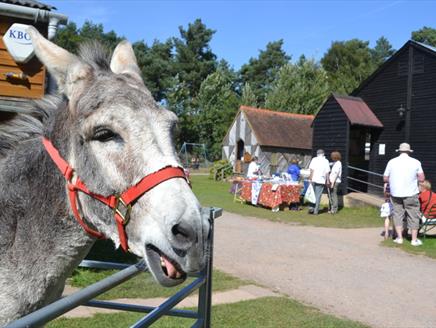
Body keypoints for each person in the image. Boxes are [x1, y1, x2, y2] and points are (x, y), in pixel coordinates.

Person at [383, 143, 425, 246]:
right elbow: (422, 178)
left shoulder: (392, 162)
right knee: (413, 215)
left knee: (397, 215)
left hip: (396, 193)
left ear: (400, 151)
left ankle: (399, 238)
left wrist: (393, 180)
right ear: (409, 151)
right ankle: (414, 240)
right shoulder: (416, 162)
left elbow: (385, 178)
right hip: (411, 193)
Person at [308, 149, 330, 215]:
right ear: (323, 154)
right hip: (321, 180)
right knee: (318, 196)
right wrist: (328, 180)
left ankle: (311, 208)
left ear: (317, 154)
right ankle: (316, 211)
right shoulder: (326, 161)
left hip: (314, 179)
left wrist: (310, 178)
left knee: (312, 194)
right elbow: (327, 172)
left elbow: (311, 169)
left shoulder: (314, 159)